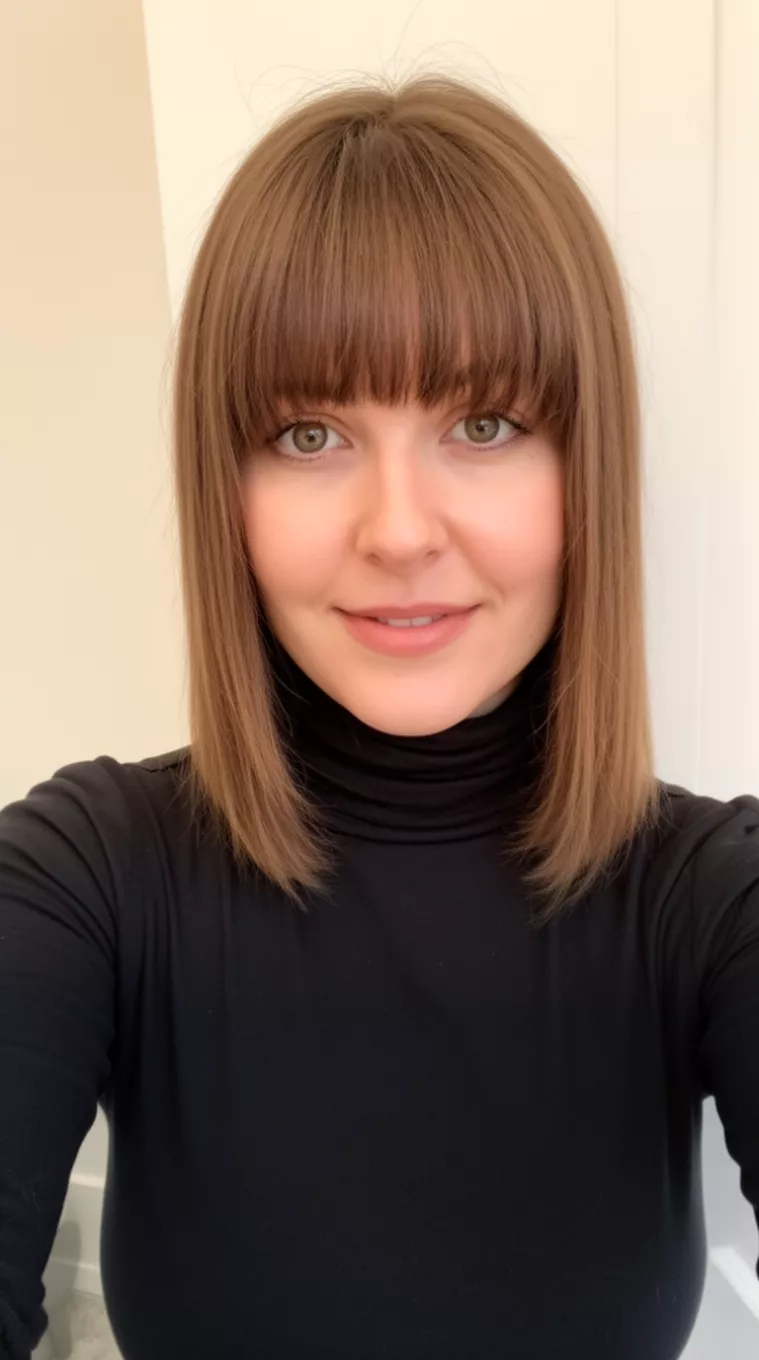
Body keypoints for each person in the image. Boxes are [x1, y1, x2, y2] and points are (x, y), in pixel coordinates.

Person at [1, 71, 757, 1360]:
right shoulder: (88, 876)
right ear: (221, 485)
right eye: (308, 433)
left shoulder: (708, 899)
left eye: (484, 421)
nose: (401, 533)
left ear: (590, 469)